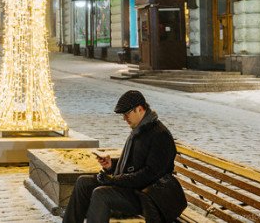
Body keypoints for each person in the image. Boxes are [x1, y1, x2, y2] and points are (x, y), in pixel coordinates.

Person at [63, 90, 186, 223]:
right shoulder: (140, 130)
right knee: (83, 182)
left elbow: (149, 175)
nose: (124, 118)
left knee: (101, 194)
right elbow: (134, 165)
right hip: (133, 187)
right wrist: (112, 166)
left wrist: (113, 180)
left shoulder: (159, 135)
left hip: (146, 196)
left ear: (139, 109)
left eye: (127, 113)